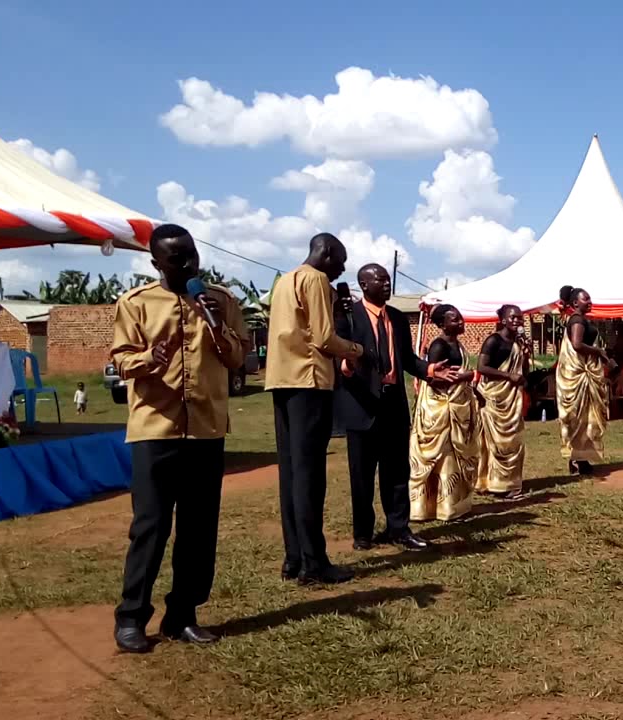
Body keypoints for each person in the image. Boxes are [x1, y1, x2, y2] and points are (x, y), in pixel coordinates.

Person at [110, 224, 249, 653]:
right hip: (156, 428)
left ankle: (182, 615)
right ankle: (131, 618)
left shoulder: (221, 302)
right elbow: (121, 361)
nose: (190, 264)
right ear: (156, 263)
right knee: (150, 526)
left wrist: (219, 327)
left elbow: (240, 358)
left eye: (192, 254)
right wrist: (151, 358)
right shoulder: (135, 304)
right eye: (178, 258)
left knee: (199, 528)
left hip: (206, 428)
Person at [266, 233, 367, 585]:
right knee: (310, 477)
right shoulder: (316, 279)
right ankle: (314, 563)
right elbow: (324, 338)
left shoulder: (284, 281)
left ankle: (294, 557)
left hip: (282, 381)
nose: (341, 268)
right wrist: (356, 350)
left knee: (291, 473)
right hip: (309, 383)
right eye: (340, 260)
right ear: (324, 252)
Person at [335, 264, 456, 550]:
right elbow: (336, 355)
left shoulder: (399, 319)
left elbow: (407, 359)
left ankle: (398, 529)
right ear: (364, 285)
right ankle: (363, 534)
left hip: (393, 402)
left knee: (396, 472)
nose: (387, 284)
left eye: (388, 280)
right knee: (362, 474)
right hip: (363, 403)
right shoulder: (349, 318)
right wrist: (345, 367)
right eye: (380, 280)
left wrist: (429, 370)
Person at [409, 305, 479, 522]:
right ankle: (439, 508)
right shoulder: (439, 346)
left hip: (457, 407)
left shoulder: (457, 344)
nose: (460, 322)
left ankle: (455, 505)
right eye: (454, 320)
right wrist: (464, 377)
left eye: (460, 318)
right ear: (442, 324)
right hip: (440, 410)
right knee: (444, 458)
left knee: (455, 458)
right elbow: (433, 378)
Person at [477, 304, 530, 498]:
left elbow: (524, 373)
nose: (517, 321)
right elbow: (481, 367)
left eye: (520, 318)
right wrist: (507, 376)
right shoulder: (493, 340)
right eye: (513, 317)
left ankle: (506, 482)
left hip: (511, 400)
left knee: (512, 442)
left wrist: (526, 355)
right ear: (503, 320)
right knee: (495, 444)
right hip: (493, 398)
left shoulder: (517, 344)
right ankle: (497, 486)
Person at [556, 285, 610, 475]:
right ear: (575, 303)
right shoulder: (577, 320)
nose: (590, 302)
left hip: (585, 375)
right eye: (586, 299)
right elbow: (577, 345)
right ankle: (576, 458)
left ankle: (582, 457)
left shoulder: (581, 319)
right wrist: (598, 351)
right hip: (578, 376)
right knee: (578, 418)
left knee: (587, 418)